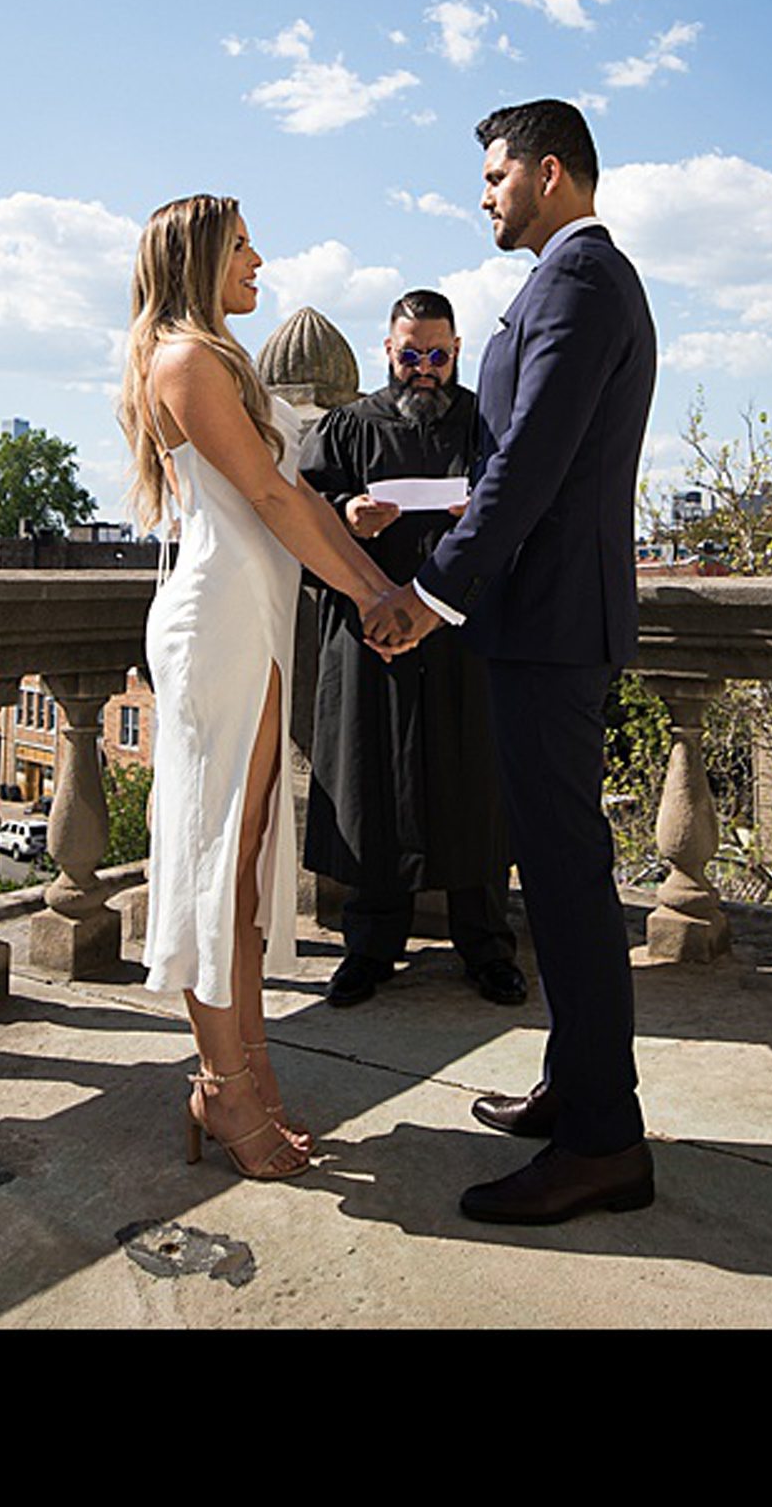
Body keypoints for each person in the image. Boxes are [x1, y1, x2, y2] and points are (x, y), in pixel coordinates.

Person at [361, 100, 659, 1226]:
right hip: (537, 624)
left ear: (547, 173)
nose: (484, 194)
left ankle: (603, 1142)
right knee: (556, 870)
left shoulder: (581, 281)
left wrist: (434, 594)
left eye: (495, 175)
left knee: (572, 883)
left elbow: (527, 463)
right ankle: (576, 1087)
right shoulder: (567, 281)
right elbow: (511, 462)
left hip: (546, 626)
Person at [118, 194, 402, 1181]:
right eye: (242, 246)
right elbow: (276, 499)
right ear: (200, 255)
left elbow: (296, 499)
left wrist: (356, 550)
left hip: (255, 621)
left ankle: (249, 1077)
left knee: (238, 871)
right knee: (214, 867)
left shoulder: (217, 360)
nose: (259, 259)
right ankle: (222, 1088)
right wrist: (374, 596)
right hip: (221, 624)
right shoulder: (187, 360)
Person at [300, 291, 524, 1010]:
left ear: (456, 351)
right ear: (386, 351)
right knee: (373, 788)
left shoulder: (489, 427)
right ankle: (368, 950)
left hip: (466, 639)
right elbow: (297, 523)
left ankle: (488, 949)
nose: (424, 370)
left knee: (476, 789)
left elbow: (525, 514)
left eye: (438, 356)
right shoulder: (344, 429)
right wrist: (346, 518)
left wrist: (481, 514)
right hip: (371, 641)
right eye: (410, 355)